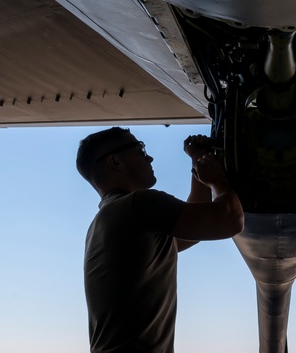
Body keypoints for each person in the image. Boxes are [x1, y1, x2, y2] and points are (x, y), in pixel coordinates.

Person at [75, 127, 244, 353]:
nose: (149, 157)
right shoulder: (138, 205)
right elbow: (230, 220)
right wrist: (217, 180)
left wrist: (198, 164)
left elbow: (191, 231)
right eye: (140, 149)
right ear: (114, 161)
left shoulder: (109, 220)